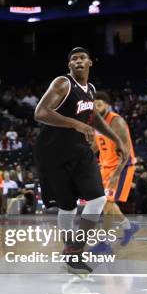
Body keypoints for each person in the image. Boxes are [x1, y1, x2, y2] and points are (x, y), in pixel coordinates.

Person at [34, 47, 129, 276]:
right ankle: (71, 255)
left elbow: (93, 117)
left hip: (79, 150)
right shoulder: (63, 84)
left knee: (97, 198)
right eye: (73, 58)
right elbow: (40, 112)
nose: (78, 61)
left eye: (82, 58)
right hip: (53, 151)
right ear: (69, 65)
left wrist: (116, 139)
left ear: (90, 63)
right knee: (67, 206)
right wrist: (76, 124)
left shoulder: (91, 90)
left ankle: (74, 250)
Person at [92, 91, 139, 246]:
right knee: (106, 204)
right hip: (106, 167)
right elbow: (95, 146)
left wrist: (116, 175)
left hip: (122, 166)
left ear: (107, 105)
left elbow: (125, 153)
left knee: (108, 204)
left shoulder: (116, 122)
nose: (97, 108)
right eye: (95, 105)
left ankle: (104, 244)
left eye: (100, 104)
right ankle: (128, 227)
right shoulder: (96, 122)